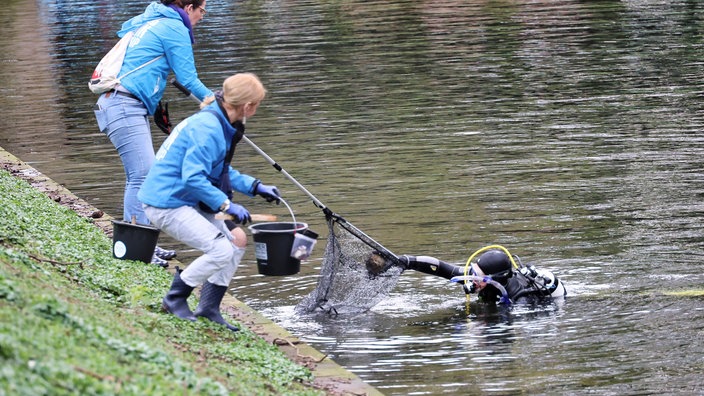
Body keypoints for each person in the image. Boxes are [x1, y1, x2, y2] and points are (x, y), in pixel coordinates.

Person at [137, 73, 281, 331]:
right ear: (247, 106)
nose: (257, 108)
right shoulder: (209, 128)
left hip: (186, 200)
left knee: (237, 241)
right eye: (257, 103)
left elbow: (218, 170)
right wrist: (227, 205)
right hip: (167, 203)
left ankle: (209, 307)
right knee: (221, 250)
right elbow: (193, 178)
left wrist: (255, 186)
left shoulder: (219, 121)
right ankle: (175, 298)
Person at [93, 0, 214, 267]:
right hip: (123, 105)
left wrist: (154, 103)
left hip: (124, 103)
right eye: (203, 10)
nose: (203, 17)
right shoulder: (174, 26)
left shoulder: (151, 20)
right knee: (142, 175)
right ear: (189, 6)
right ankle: (137, 251)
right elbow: (188, 79)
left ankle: (144, 244)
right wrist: (222, 108)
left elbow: (143, 65)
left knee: (141, 175)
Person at [398, 248, 566, 305]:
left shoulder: (519, 300)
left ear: (495, 280)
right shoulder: (478, 278)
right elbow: (441, 268)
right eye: (473, 273)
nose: (473, 280)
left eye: (479, 277)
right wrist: (407, 261)